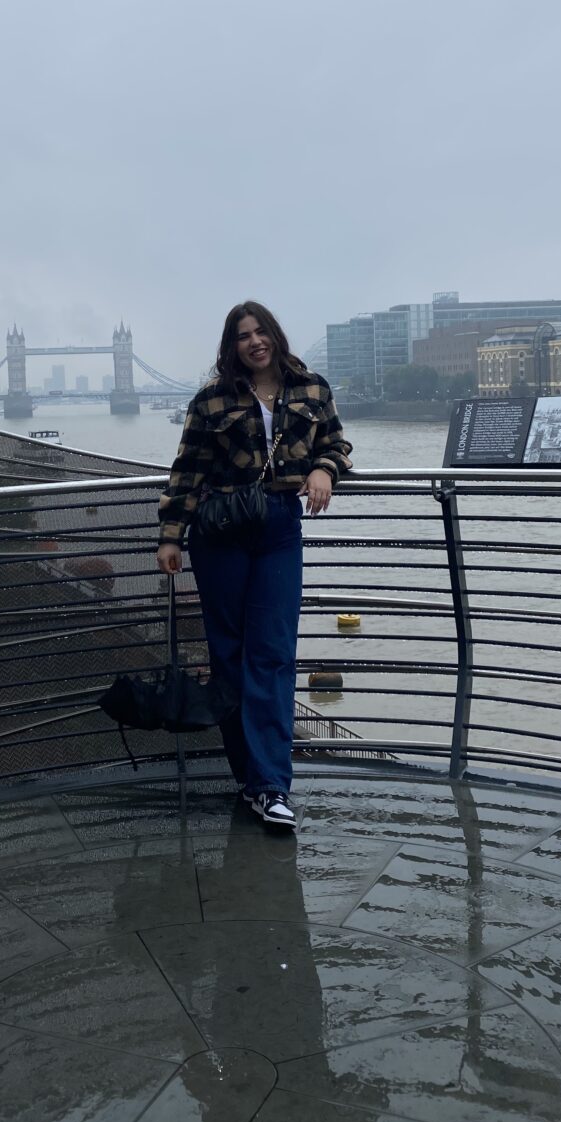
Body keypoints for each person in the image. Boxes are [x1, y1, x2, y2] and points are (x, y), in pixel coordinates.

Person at [156, 302, 352, 829]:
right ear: (231, 345)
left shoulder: (312, 387)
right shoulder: (210, 399)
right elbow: (187, 470)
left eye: (261, 331)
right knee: (231, 656)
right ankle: (249, 778)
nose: (254, 341)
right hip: (219, 531)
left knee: (273, 654)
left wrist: (324, 470)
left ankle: (270, 784)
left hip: (279, 528)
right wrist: (171, 536)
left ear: (275, 335)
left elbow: (337, 443)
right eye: (243, 335)